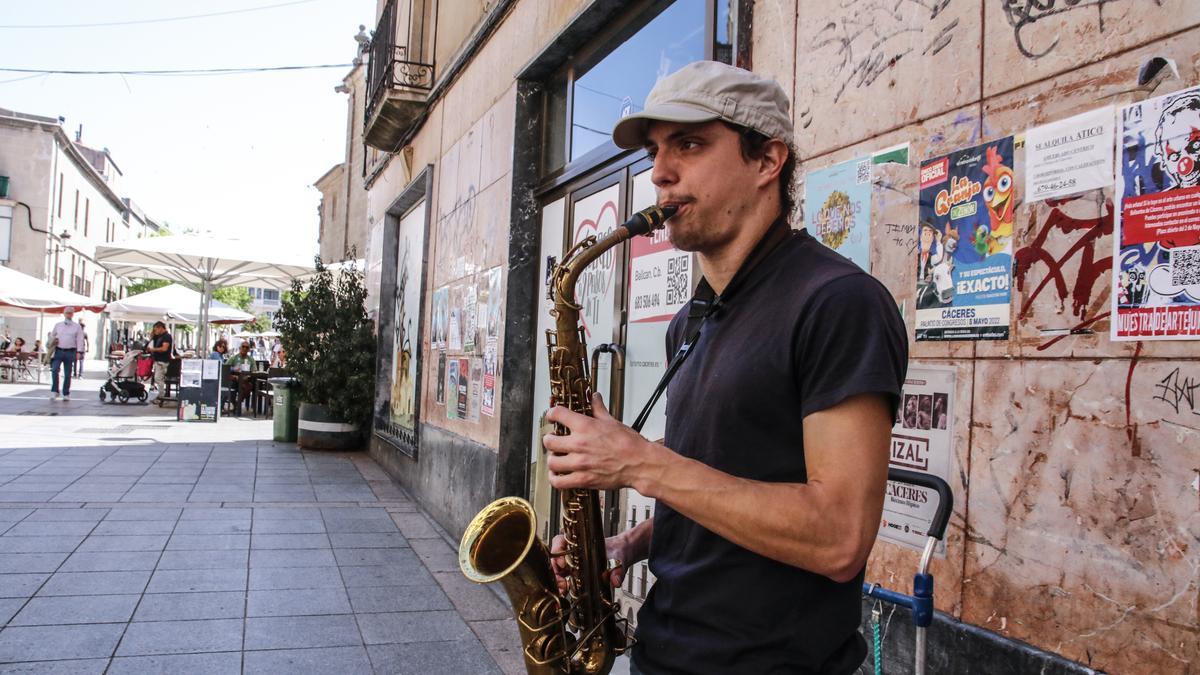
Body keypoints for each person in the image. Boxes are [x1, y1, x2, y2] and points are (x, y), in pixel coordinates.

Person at [542, 62, 907, 674]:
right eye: (657, 151)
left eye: (689, 144)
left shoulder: (838, 302)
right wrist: (626, 543)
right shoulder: (692, 319)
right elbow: (719, 480)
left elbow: (840, 537)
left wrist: (637, 461)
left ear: (767, 161)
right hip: (665, 653)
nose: (659, 173)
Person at [48, 307, 87, 400]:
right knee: (54, 370)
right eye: (67, 313)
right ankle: (55, 390)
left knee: (68, 373)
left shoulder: (77, 326)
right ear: (64, 314)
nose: (68, 315)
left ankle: (66, 393)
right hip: (58, 350)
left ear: (73, 314)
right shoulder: (58, 325)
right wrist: (52, 340)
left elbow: (80, 339)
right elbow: (52, 335)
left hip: (71, 351)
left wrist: (79, 352)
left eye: (70, 313)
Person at [146, 321, 174, 402]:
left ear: (160, 328)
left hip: (162, 361)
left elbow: (164, 349)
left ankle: (161, 397)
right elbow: (151, 339)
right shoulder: (159, 337)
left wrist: (153, 349)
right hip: (158, 361)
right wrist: (153, 334)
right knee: (158, 379)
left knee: (158, 379)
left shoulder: (167, 337)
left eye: (156, 330)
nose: (155, 332)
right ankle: (160, 397)